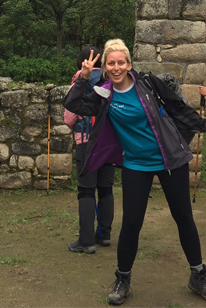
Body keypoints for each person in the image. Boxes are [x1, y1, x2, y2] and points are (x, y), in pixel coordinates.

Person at [65, 39, 206, 305]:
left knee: (183, 217)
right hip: (135, 164)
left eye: (121, 62)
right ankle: (123, 279)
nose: (116, 68)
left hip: (170, 159)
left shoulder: (148, 84)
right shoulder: (103, 93)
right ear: (104, 66)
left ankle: (198, 275)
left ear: (129, 64)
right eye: (111, 63)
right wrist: (82, 79)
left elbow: (177, 108)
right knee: (131, 224)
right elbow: (74, 106)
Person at [65, 44, 115, 254]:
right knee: (106, 189)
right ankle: (104, 235)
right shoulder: (111, 79)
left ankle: (86, 241)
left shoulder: (81, 79)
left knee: (86, 191)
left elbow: (69, 115)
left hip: (87, 141)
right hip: (109, 142)